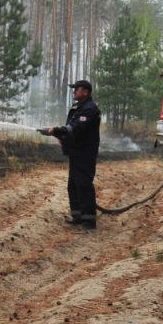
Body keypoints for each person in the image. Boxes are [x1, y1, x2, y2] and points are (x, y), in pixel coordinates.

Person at [38, 80, 102, 228]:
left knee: (84, 185)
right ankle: (78, 217)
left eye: (76, 90)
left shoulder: (90, 109)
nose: (74, 92)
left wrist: (57, 130)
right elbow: (70, 129)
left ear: (85, 91)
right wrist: (60, 136)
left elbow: (76, 128)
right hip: (76, 152)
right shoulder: (78, 107)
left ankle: (89, 221)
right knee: (73, 185)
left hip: (85, 153)